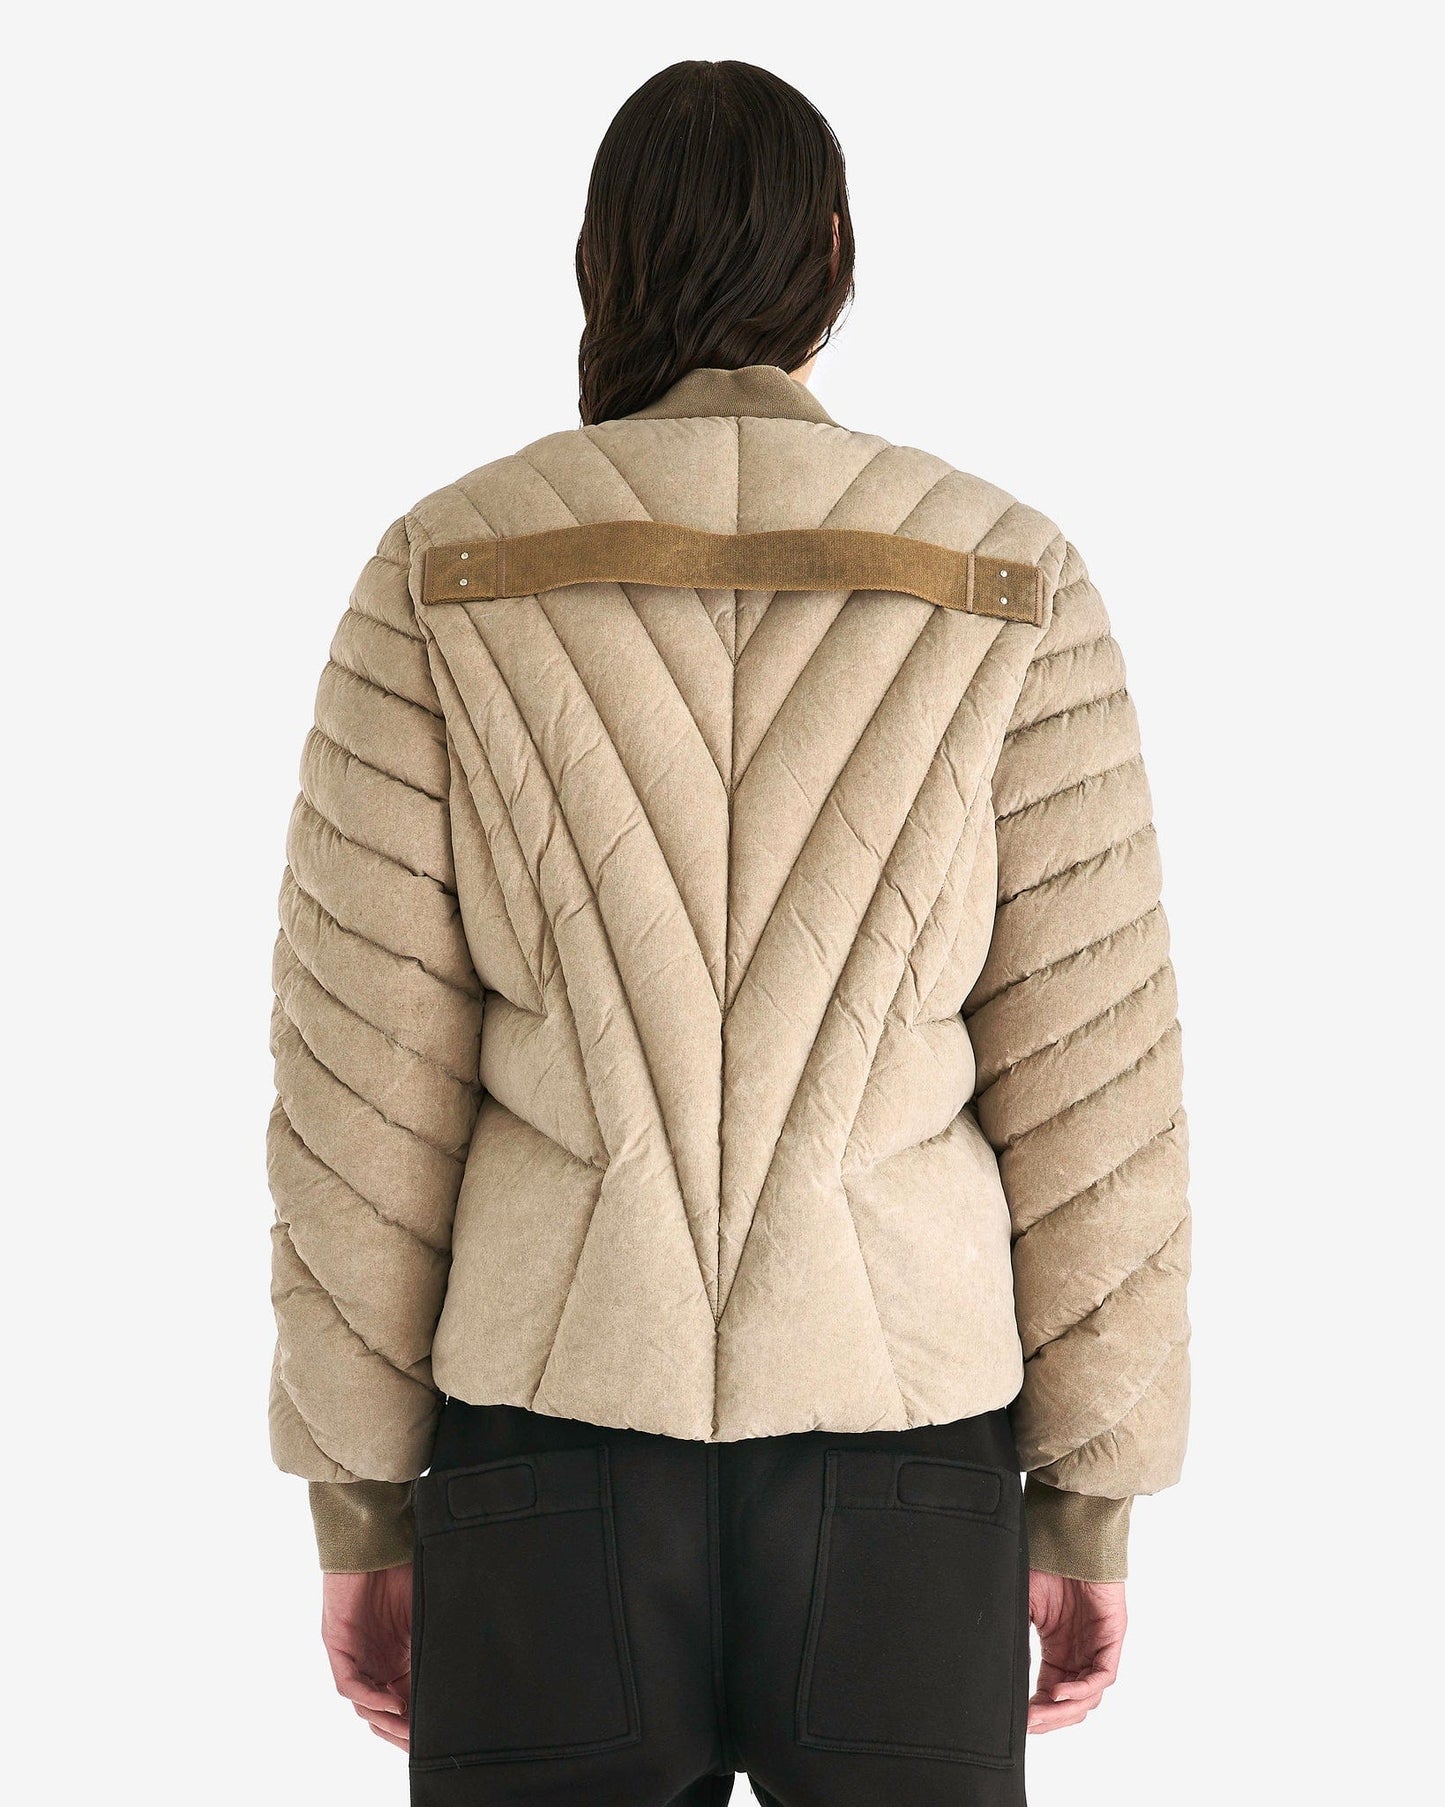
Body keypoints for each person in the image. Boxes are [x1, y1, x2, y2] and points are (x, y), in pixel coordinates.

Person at [265, 58, 1190, 1807]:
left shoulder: (442, 571)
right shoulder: (1009, 577)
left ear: (596, 263)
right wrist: (1089, 1500)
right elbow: (1095, 1087)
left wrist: (362, 1505)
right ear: (831, 254)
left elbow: (360, 1095)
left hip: (545, 1457)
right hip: (905, 1465)